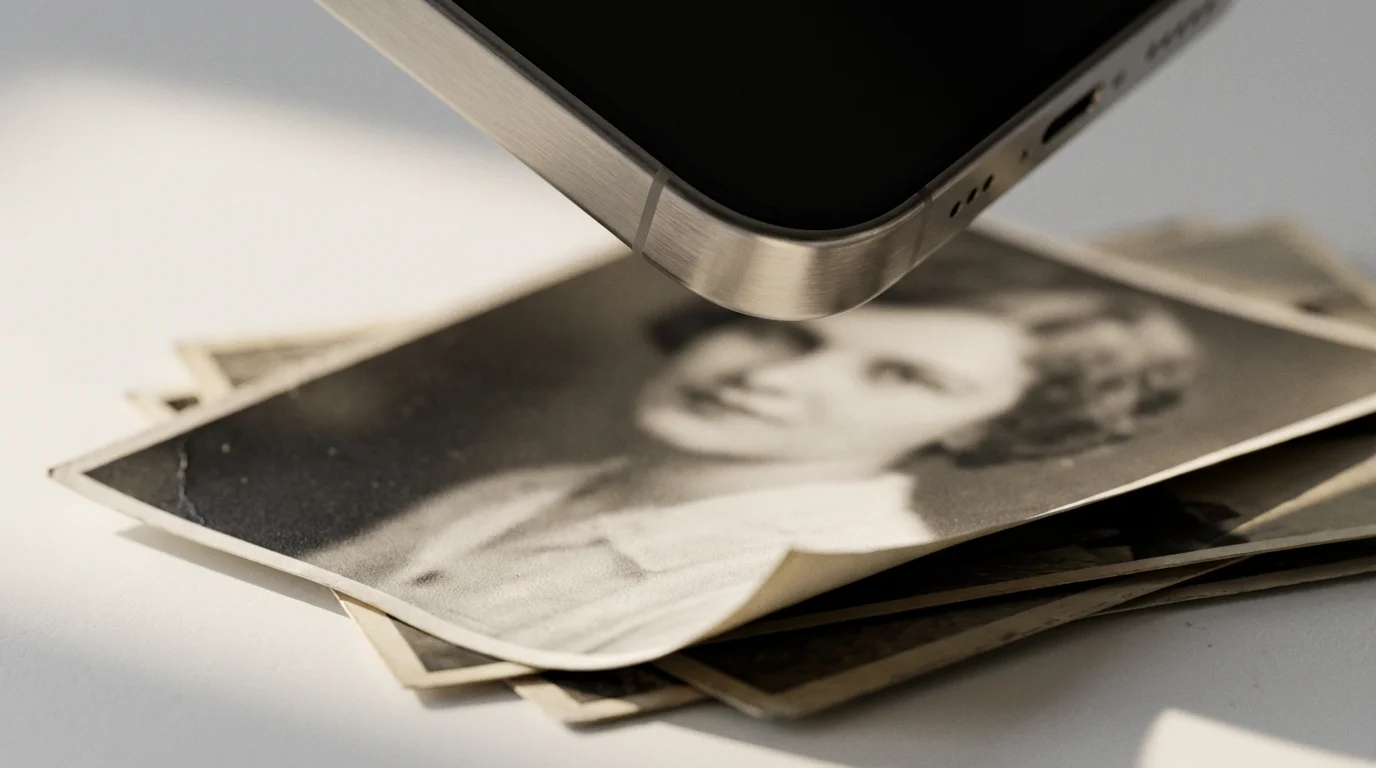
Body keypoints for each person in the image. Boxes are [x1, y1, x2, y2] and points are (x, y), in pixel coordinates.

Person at [307, 288, 1200, 655]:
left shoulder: (804, 579)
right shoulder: (516, 493)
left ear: (993, 431)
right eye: (786, 331)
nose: (769, 377)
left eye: (904, 375)